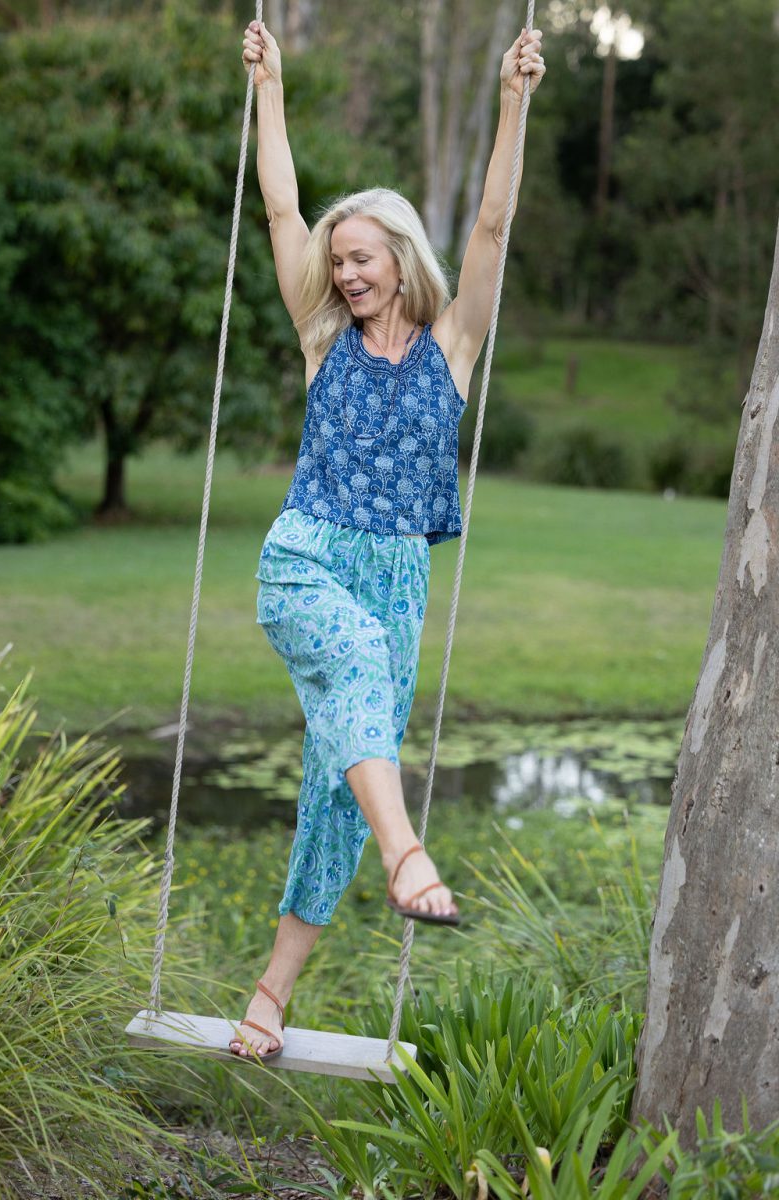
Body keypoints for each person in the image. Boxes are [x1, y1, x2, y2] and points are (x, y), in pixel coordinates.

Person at [230, 18, 545, 1062]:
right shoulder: (324, 343)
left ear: (400, 258)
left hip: (395, 580)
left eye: (359, 257)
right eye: (336, 262)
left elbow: (493, 229)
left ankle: (267, 1002)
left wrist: (512, 100)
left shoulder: (452, 347)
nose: (345, 274)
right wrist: (268, 88)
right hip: (306, 560)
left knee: (332, 796)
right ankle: (409, 853)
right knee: (357, 676)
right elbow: (279, 203)